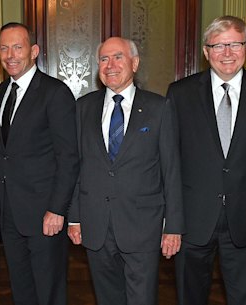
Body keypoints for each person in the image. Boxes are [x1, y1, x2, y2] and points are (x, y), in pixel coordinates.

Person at [166, 16, 246, 305]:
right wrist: (171, 219)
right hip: (192, 221)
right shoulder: (179, 94)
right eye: (218, 46)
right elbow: (169, 162)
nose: (227, 53)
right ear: (206, 52)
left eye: (234, 44)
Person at [68, 36, 184, 305]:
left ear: (134, 63)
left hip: (143, 226)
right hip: (96, 225)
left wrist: (174, 226)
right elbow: (78, 166)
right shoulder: (83, 108)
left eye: (118, 57)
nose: (111, 65)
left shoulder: (159, 107)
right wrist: (74, 217)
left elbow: (171, 170)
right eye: (104, 59)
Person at [0, 23, 79, 305]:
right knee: (22, 290)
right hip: (9, 214)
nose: (10, 55)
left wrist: (57, 209)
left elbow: (68, 157)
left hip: (45, 214)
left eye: (17, 47)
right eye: (4, 48)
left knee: (49, 291)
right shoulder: (1, 91)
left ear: (33, 51)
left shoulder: (55, 93)